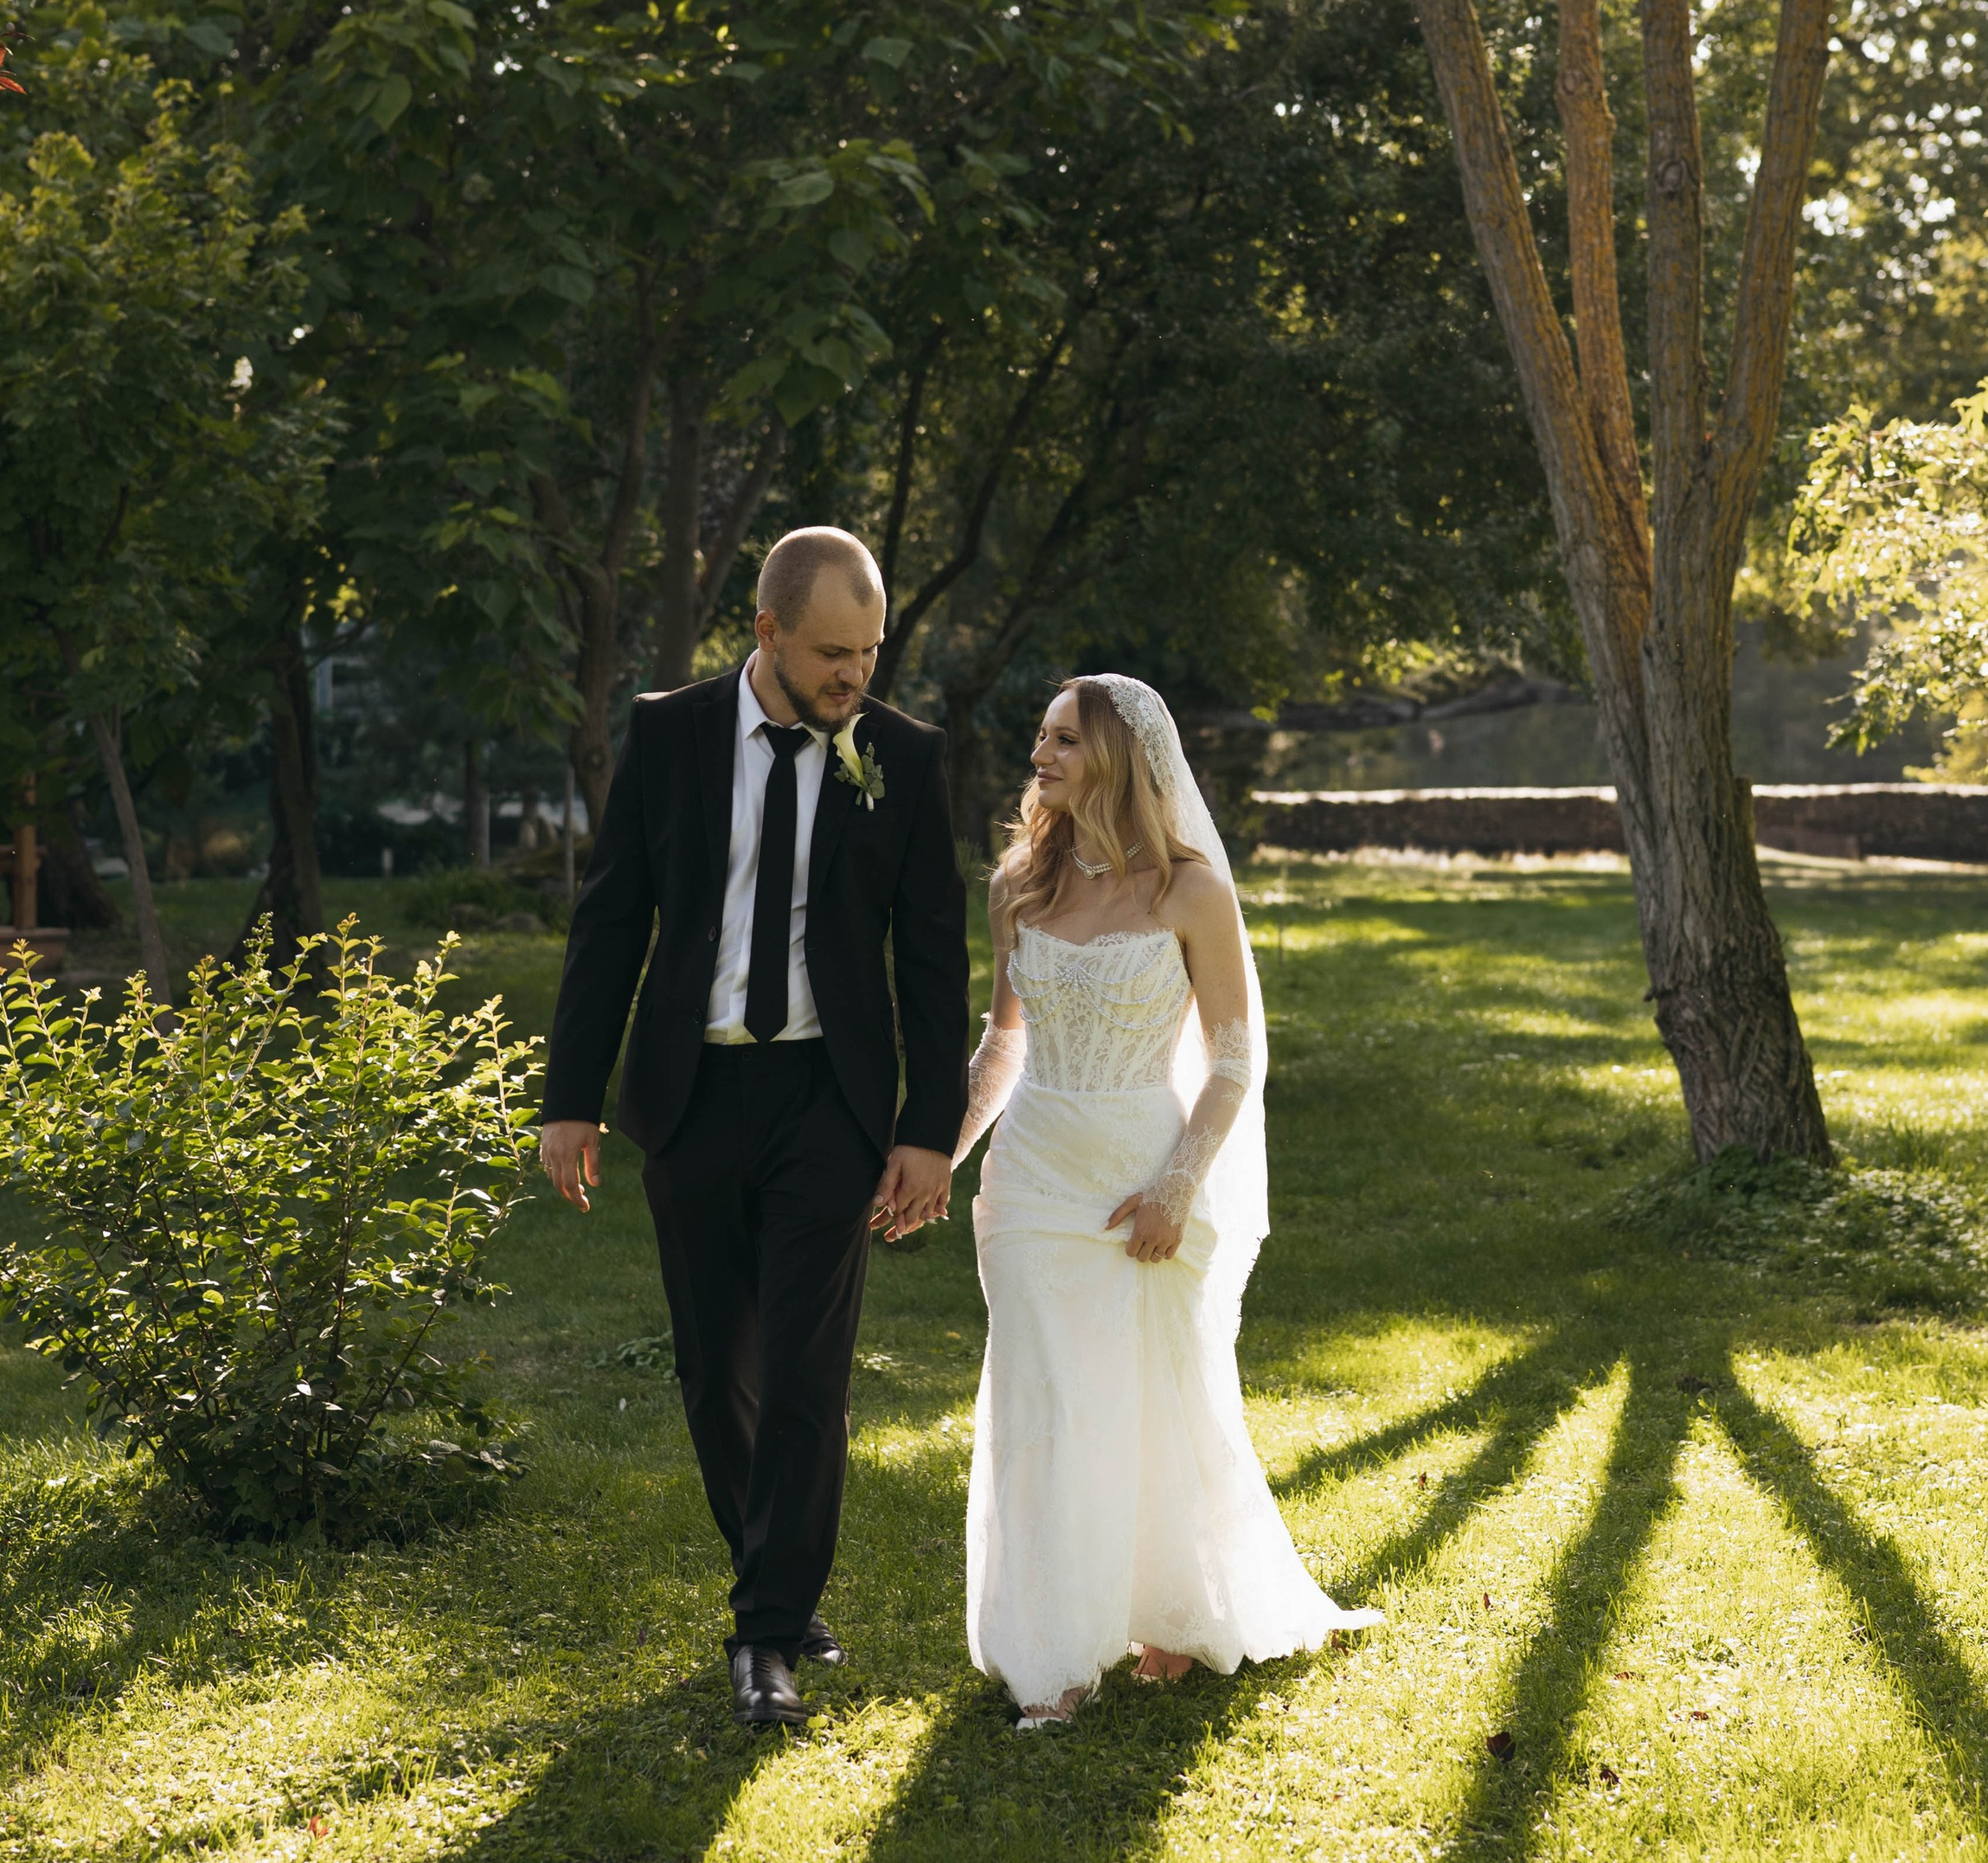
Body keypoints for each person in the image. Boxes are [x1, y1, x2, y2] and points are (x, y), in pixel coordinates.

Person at [537, 528, 968, 1731]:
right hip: (692, 1091)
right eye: (834, 652)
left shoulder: (902, 756)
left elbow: (933, 960)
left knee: (808, 1373)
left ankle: (767, 1630)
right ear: (766, 632)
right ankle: (773, 1566)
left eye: (871, 650)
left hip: (828, 1097)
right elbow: (612, 916)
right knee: (712, 1364)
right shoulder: (670, 734)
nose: (855, 676)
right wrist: (572, 1094)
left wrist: (929, 1130)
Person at [954, 674, 1377, 1724]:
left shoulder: (1191, 891)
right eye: (1040, 737)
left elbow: (1233, 1060)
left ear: (1120, 760)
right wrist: (942, 1156)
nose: (1039, 756)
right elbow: (1003, 1042)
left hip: (1143, 1169)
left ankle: (1168, 1612)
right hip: (1034, 1174)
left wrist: (1175, 1187)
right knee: (1045, 1402)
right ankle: (1051, 1659)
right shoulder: (1020, 883)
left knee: (1150, 1396)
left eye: (1063, 740)